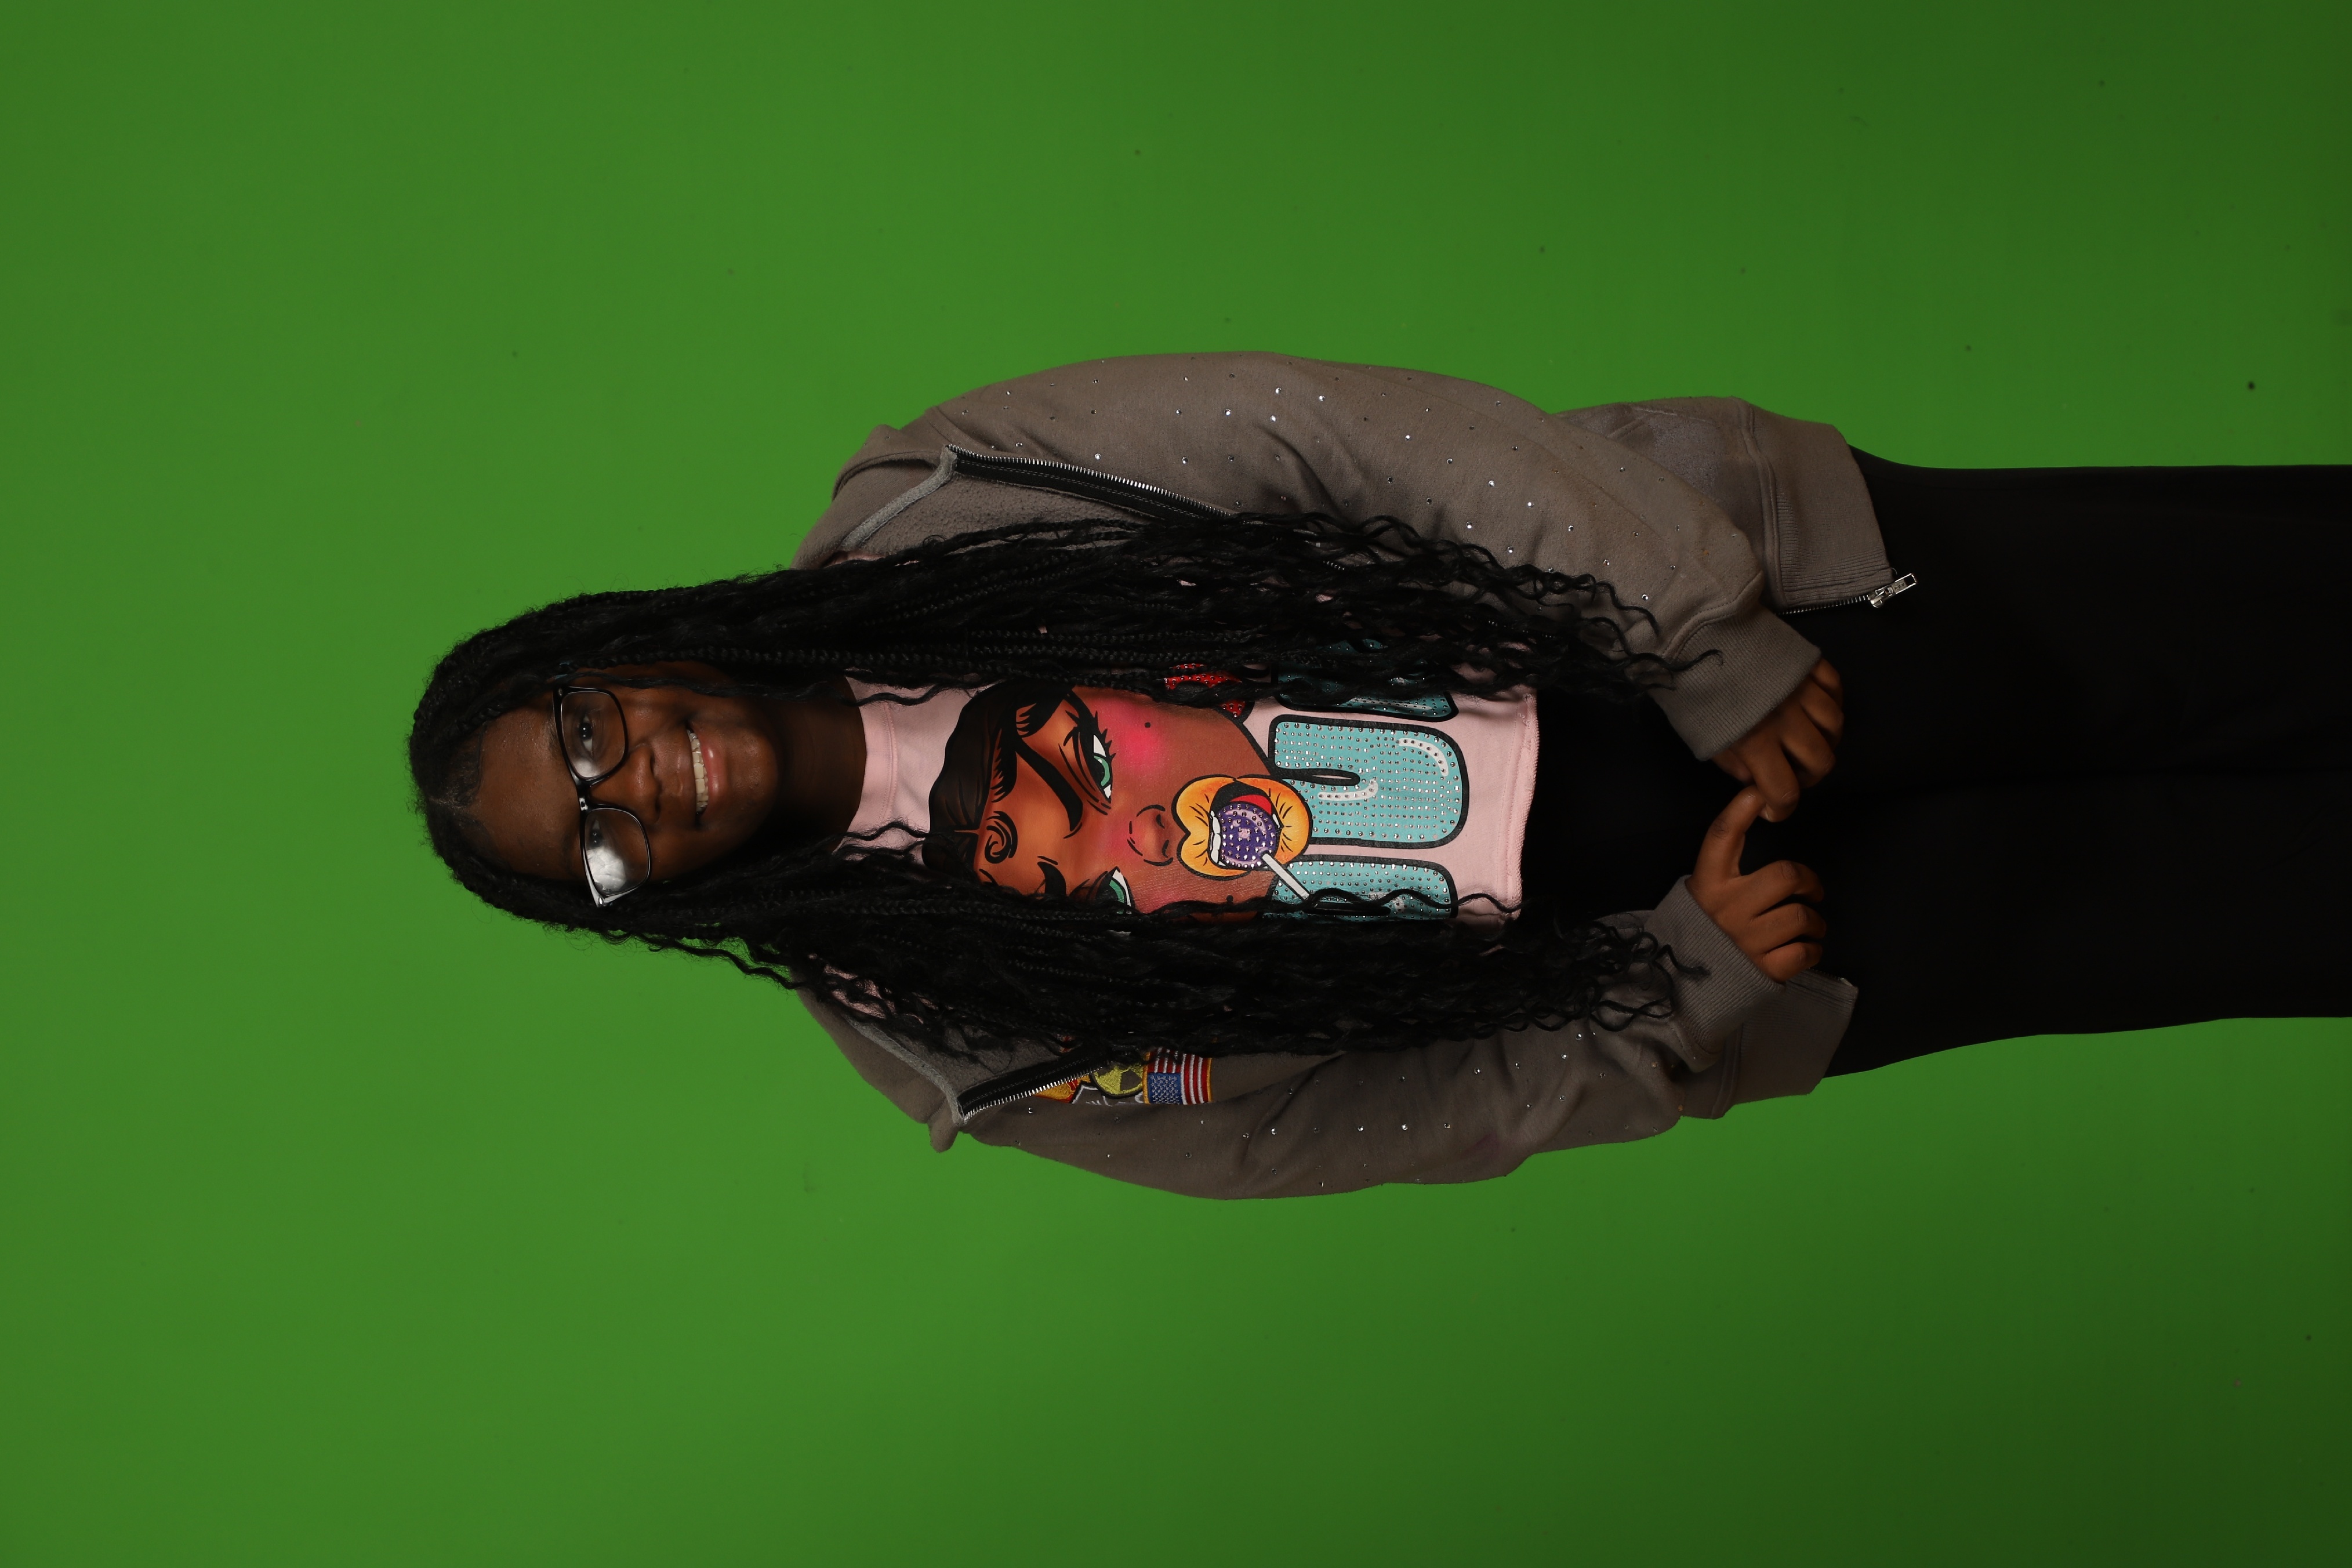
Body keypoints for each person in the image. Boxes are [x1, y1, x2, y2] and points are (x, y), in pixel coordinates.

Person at [411, 352, 2351, 1197]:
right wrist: (1688, 989)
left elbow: (1354, 443)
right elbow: (1349, 1121)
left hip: (1743, 620)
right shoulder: (963, 1044)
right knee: (2260, 908)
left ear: (608, 651)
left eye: (581, 732)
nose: (631, 786)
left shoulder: (945, 496)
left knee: (2264, 624)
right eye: (595, 847)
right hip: (1704, 925)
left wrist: (1703, 633)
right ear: (642, 910)